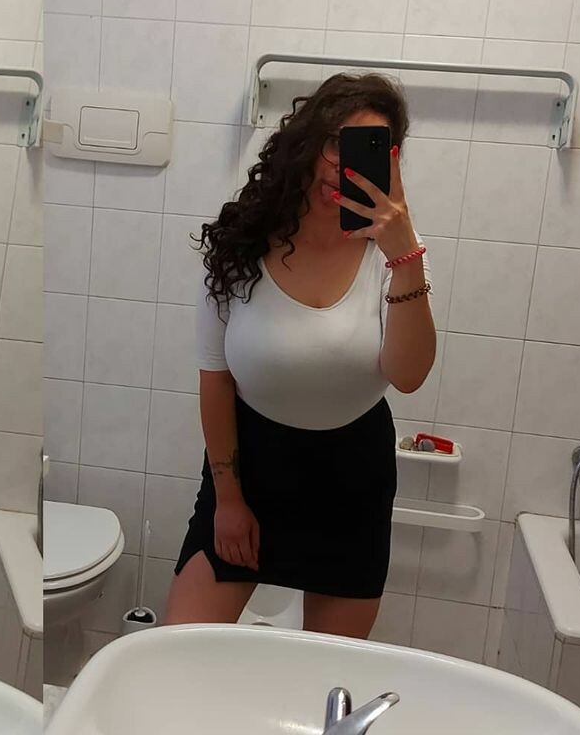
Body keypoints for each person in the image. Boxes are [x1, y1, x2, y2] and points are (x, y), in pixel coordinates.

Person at [164, 72, 437, 639]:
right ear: (307, 143)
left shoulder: (394, 258)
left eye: (367, 148)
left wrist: (404, 255)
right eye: (335, 141)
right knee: (178, 650)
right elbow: (215, 379)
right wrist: (229, 499)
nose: (342, 163)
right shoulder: (242, 246)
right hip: (250, 466)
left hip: (352, 478)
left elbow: (408, 376)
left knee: (328, 673)